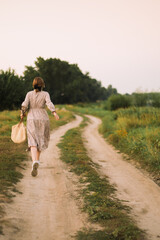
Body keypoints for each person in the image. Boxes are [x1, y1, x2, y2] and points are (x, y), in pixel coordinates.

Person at [20, 77, 59, 177]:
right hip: (43, 118)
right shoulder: (45, 94)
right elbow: (49, 103)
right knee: (40, 139)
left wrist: (22, 112)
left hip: (32, 118)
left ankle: (34, 161)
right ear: (42, 85)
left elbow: (25, 104)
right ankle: (37, 160)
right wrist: (54, 112)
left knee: (32, 141)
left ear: (33, 85)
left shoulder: (29, 94)